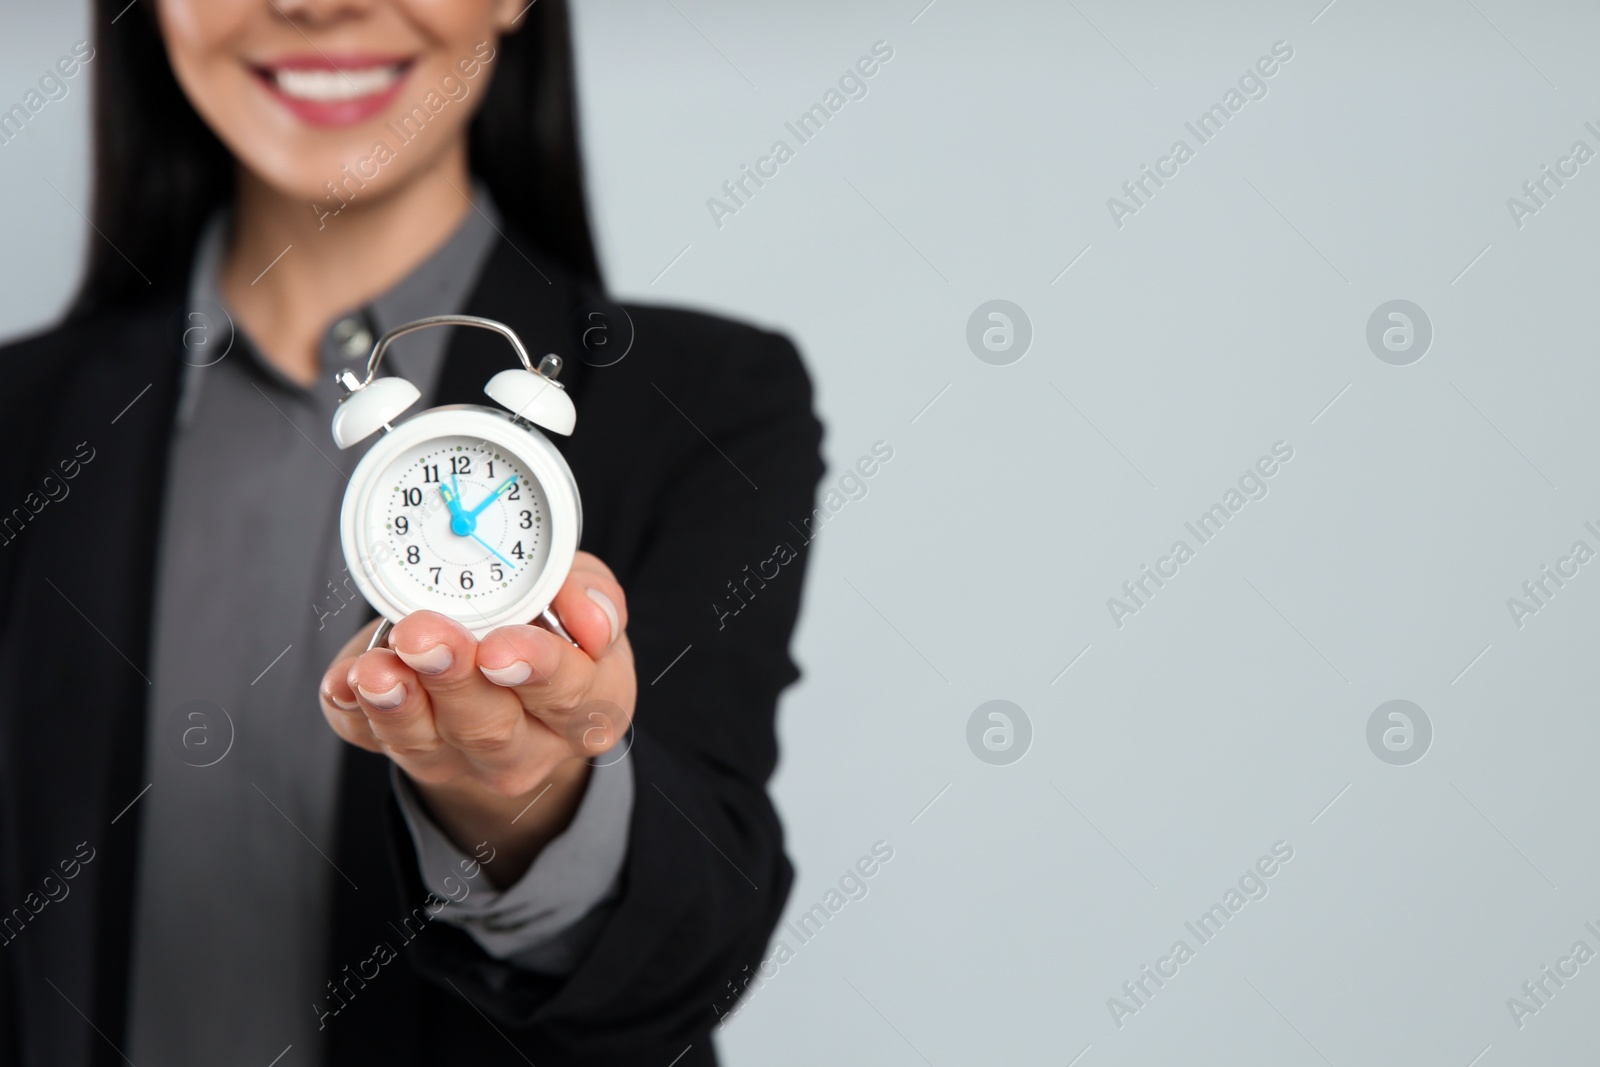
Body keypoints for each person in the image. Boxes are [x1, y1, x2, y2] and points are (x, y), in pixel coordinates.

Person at [0, 1, 822, 1064]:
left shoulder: (707, 401)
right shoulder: (20, 425)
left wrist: (526, 800)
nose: (312, 3)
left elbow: (690, 949)